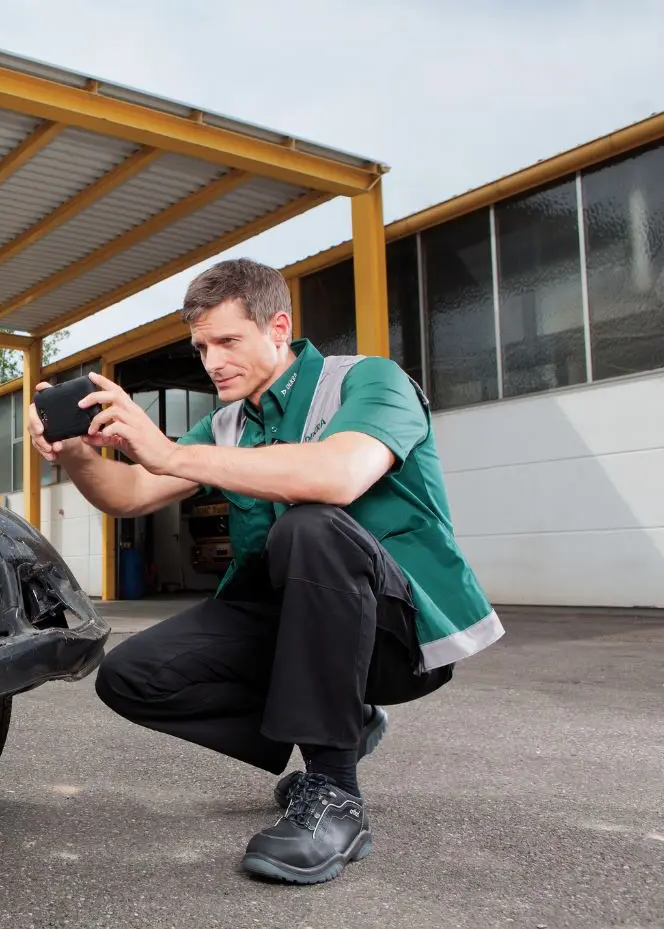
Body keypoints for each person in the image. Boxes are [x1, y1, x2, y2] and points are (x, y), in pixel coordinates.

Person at [27, 257, 502, 885]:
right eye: (201, 347)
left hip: (398, 632)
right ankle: (345, 725)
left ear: (278, 328)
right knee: (133, 677)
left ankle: (333, 793)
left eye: (228, 341)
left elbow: (336, 476)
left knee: (310, 525)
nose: (212, 361)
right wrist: (78, 455)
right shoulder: (228, 423)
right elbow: (130, 494)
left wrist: (171, 452)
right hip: (294, 623)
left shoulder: (368, 381)